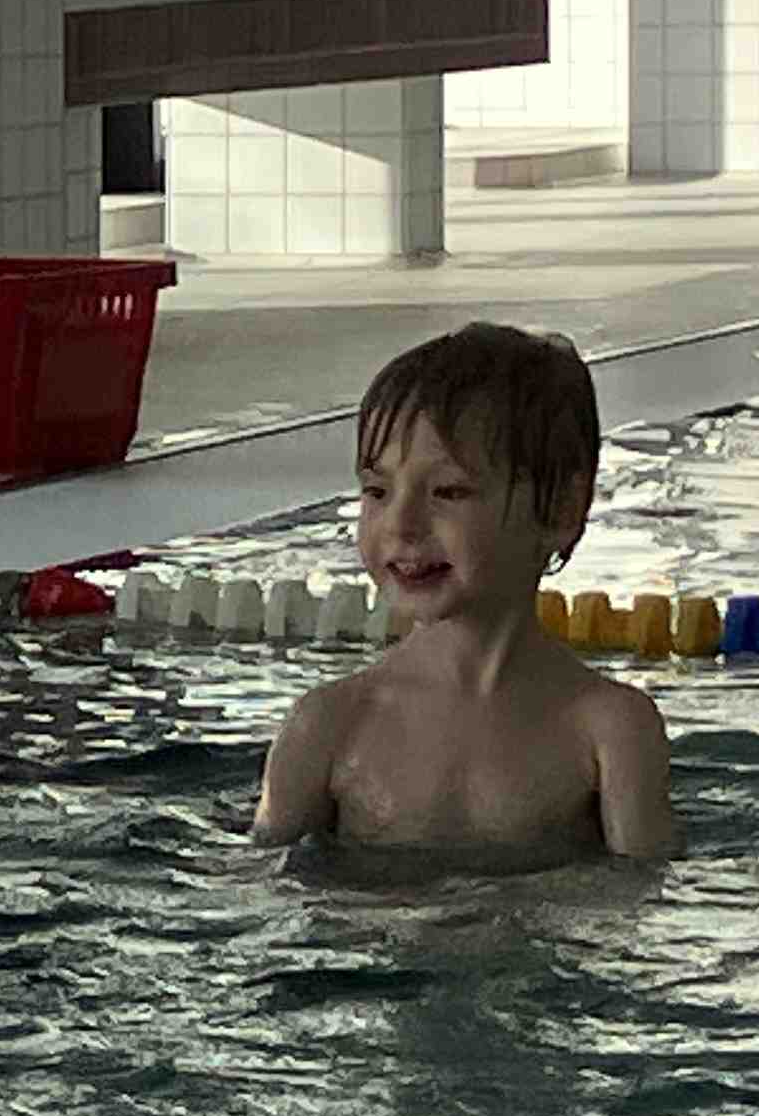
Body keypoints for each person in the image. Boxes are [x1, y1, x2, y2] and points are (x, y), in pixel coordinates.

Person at [252, 323, 675, 865]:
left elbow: (647, 893)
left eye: (448, 492)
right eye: (377, 491)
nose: (401, 524)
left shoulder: (609, 730)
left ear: (561, 510)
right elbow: (261, 885)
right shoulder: (328, 726)